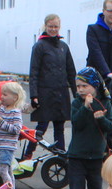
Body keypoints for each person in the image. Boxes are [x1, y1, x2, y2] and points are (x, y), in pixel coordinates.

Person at [67, 67, 112, 189]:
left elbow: (111, 127)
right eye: (78, 86)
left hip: (96, 156)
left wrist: (101, 118)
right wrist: (86, 108)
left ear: (95, 86)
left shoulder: (105, 103)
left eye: (84, 86)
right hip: (76, 156)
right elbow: (76, 124)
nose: (80, 90)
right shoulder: (77, 104)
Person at [27, 13, 75, 157]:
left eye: (56, 27)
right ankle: (27, 155)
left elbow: (71, 71)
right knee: (41, 127)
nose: (53, 29)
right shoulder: (39, 46)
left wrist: (77, 92)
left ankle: (60, 155)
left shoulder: (63, 47)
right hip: (45, 93)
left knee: (59, 126)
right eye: (51, 26)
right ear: (45, 26)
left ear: (59, 27)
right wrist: (34, 95)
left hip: (61, 93)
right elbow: (33, 71)